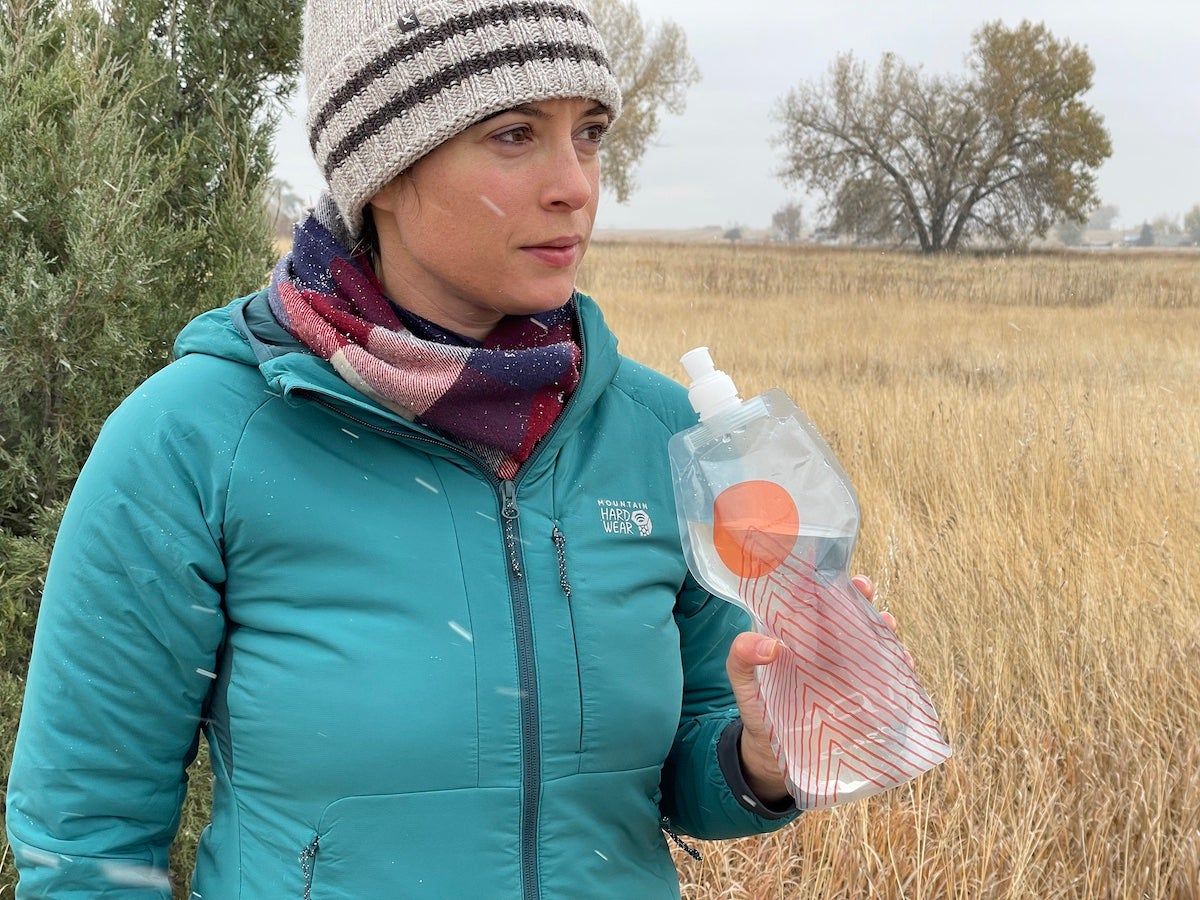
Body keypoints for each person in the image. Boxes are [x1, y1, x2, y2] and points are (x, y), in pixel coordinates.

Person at [5, 1, 896, 896]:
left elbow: (679, 767)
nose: (574, 184)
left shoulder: (664, 437)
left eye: (588, 134)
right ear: (382, 170)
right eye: (514, 134)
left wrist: (761, 754)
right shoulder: (197, 439)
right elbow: (84, 838)